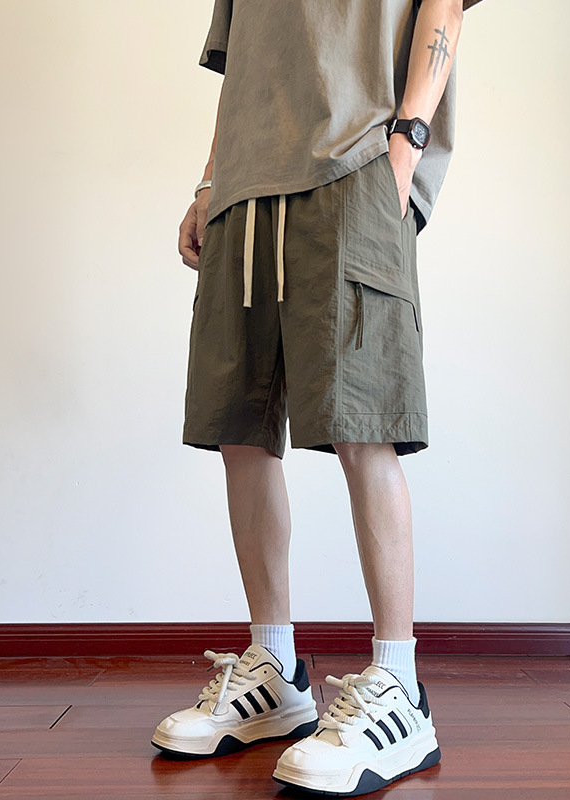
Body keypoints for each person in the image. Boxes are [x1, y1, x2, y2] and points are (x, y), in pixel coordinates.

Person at [152, 0, 468, 795]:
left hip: (358, 160)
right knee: (240, 428)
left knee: (366, 423)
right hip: (244, 186)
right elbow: (244, 62)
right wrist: (210, 179)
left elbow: (445, 8)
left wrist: (408, 142)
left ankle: (400, 686)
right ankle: (275, 668)